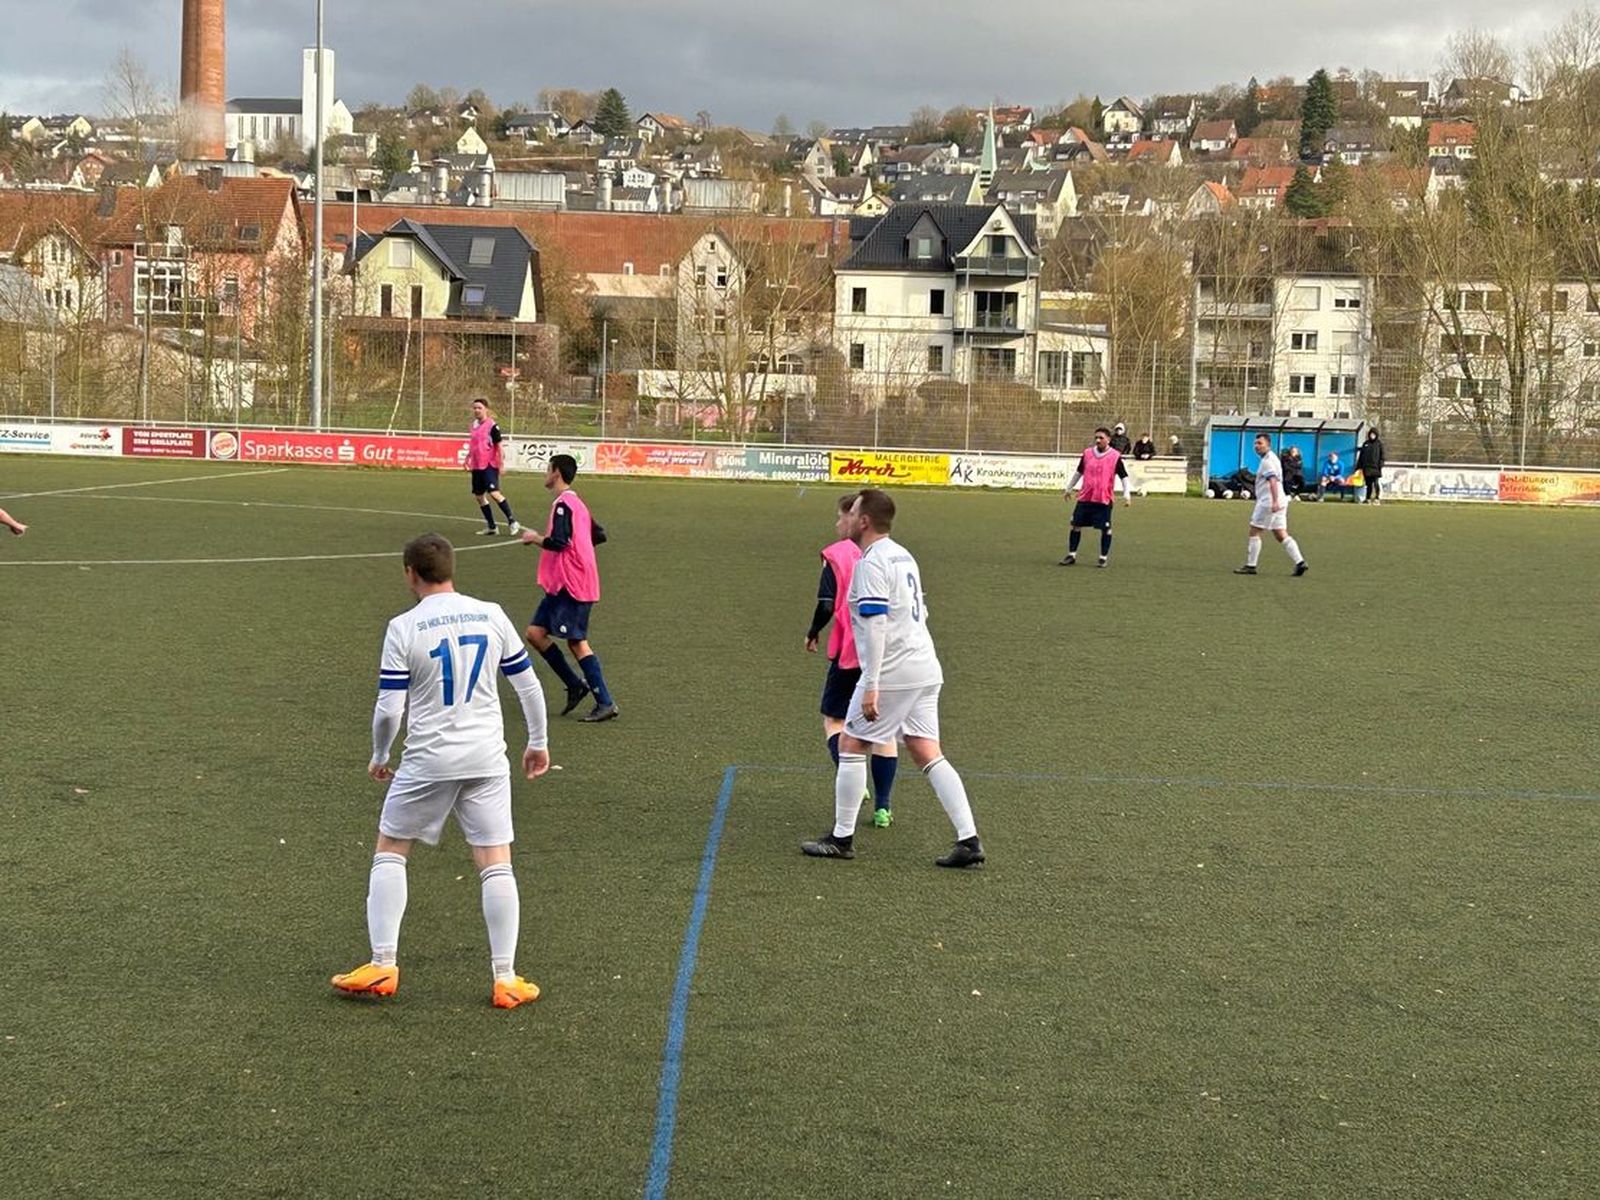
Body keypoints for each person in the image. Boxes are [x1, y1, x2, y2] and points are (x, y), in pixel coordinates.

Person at [332, 533, 550, 1009]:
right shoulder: (491, 613)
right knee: (496, 861)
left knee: (392, 848)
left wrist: (380, 754)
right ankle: (506, 978)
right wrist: (537, 742)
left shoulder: (403, 627)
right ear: (452, 569)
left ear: (410, 573)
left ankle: (383, 963)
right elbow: (528, 686)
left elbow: (390, 708)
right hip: (486, 758)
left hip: (429, 759)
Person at [801, 490, 984, 868]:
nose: (844, 519)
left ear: (864, 521)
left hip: (893, 671)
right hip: (924, 666)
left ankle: (841, 838)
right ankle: (969, 840)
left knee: (851, 743)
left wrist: (871, 682)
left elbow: (876, 624)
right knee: (925, 749)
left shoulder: (871, 563)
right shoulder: (903, 555)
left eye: (850, 512)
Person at [806, 493, 899, 828]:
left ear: (855, 519)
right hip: (889, 654)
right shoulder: (889, 553)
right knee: (884, 731)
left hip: (851, 651)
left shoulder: (836, 554)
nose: (837, 524)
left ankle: (855, 785)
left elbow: (827, 603)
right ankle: (883, 807)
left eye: (841, 516)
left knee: (835, 721)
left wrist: (813, 632)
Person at [519, 453, 617, 722]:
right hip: (560, 584)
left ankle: (605, 702)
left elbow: (559, 542)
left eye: (548, 469)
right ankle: (575, 685)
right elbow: (599, 534)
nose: (545, 473)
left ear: (557, 473)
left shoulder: (564, 505)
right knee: (535, 633)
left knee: (577, 642)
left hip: (571, 584)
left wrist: (534, 538)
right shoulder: (577, 504)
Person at [1234, 434, 1308, 577]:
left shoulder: (1268, 461)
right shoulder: (1272, 458)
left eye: (1260, 443)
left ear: (1268, 445)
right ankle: (1300, 562)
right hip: (1281, 501)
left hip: (1269, 502)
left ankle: (1251, 566)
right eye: (1255, 443)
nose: (1257, 446)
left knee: (1254, 531)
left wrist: (1274, 501)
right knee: (1280, 533)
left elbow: (1272, 480)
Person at [1059, 426, 1132, 568]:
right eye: (1096, 438)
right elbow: (1079, 472)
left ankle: (1103, 557)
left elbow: (1124, 476)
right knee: (1075, 525)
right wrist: (1069, 488)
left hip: (1103, 498)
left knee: (1105, 528)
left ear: (1108, 439)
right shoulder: (1087, 453)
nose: (1098, 440)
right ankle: (1071, 555)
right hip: (1085, 497)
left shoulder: (1115, 456)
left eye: (1101, 438)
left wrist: (1126, 495)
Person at [466, 398, 520, 536]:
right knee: (479, 496)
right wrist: (468, 458)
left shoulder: (492, 426)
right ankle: (492, 526)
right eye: (475, 408)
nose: (476, 410)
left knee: (494, 493)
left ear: (486, 409)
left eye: (479, 408)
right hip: (477, 466)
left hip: (489, 464)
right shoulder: (473, 425)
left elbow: (499, 446)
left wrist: (501, 464)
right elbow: (473, 444)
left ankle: (512, 521)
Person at [1356, 427, 1386, 504]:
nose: (1372, 436)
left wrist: (1381, 464)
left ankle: (1377, 498)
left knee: (1375, 483)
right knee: (1368, 484)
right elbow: (1361, 456)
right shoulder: (1366, 444)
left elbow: (1382, 456)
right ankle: (1368, 498)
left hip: (1376, 468)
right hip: (1366, 468)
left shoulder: (1379, 444)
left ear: (1376, 435)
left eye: (1374, 434)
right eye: (1371, 434)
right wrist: (1359, 467)